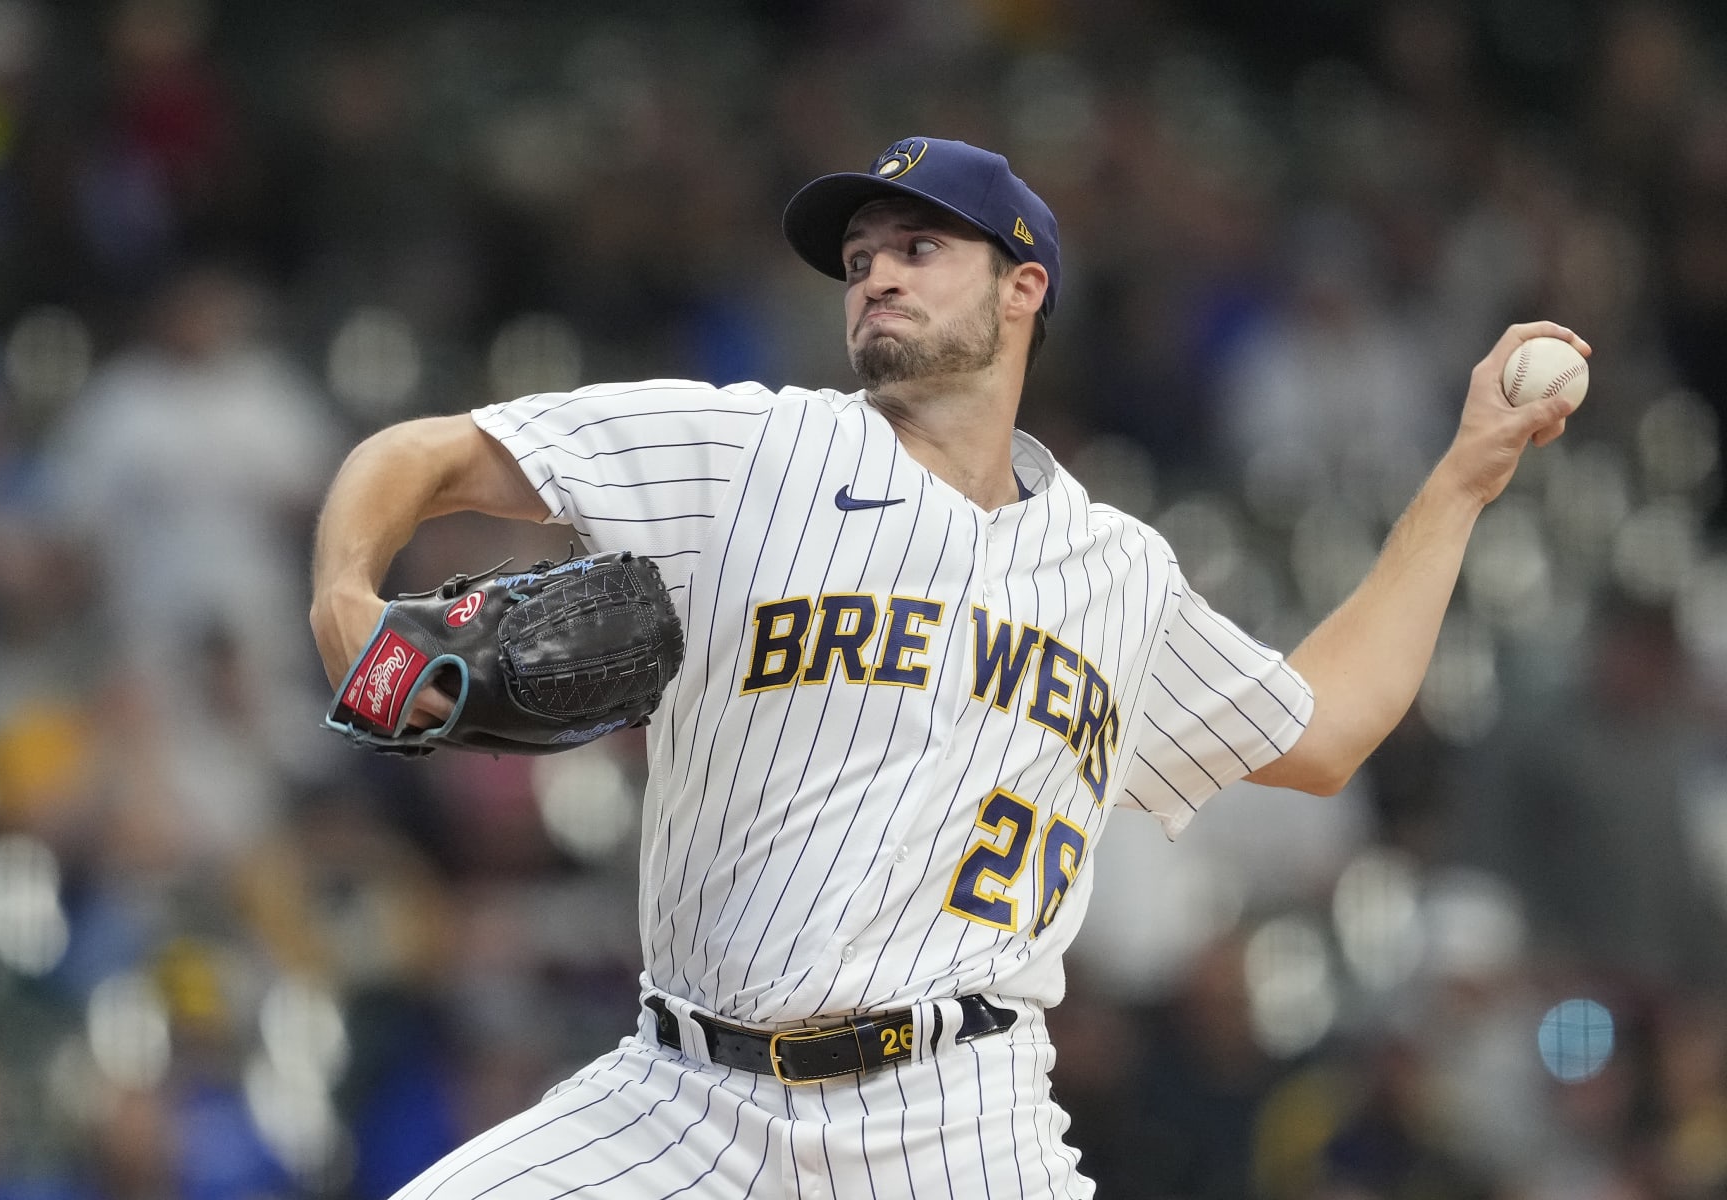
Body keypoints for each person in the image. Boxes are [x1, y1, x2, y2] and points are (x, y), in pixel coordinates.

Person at [309, 136, 1586, 1198]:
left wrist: (1468, 475)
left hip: (957, 1124)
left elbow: (1325, 731)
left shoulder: (1118, 570)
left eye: (920, 251)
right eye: (860, 261)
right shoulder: (752, 450)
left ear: (1023, 286)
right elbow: (429, 454)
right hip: (681, 1102)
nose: (875, 279)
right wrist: (347, 604)